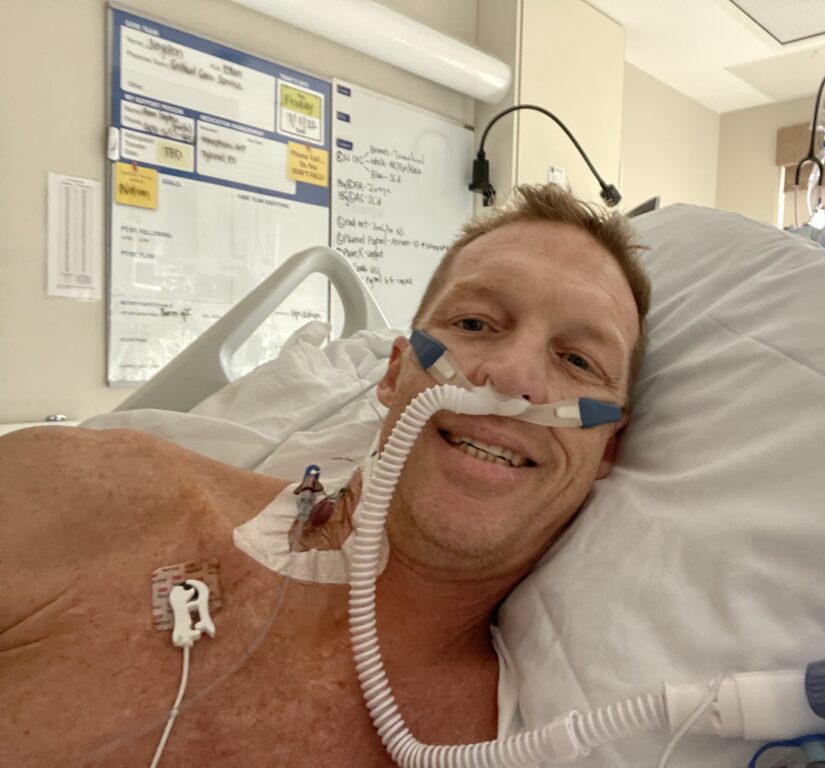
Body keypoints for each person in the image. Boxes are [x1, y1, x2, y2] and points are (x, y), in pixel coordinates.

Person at [0, 184, 650, 766]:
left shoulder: (528, 746)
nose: (510, 378)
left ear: (609, 449)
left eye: (578, 360)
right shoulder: (97, 495)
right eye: (474, 323)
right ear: (394, 375)